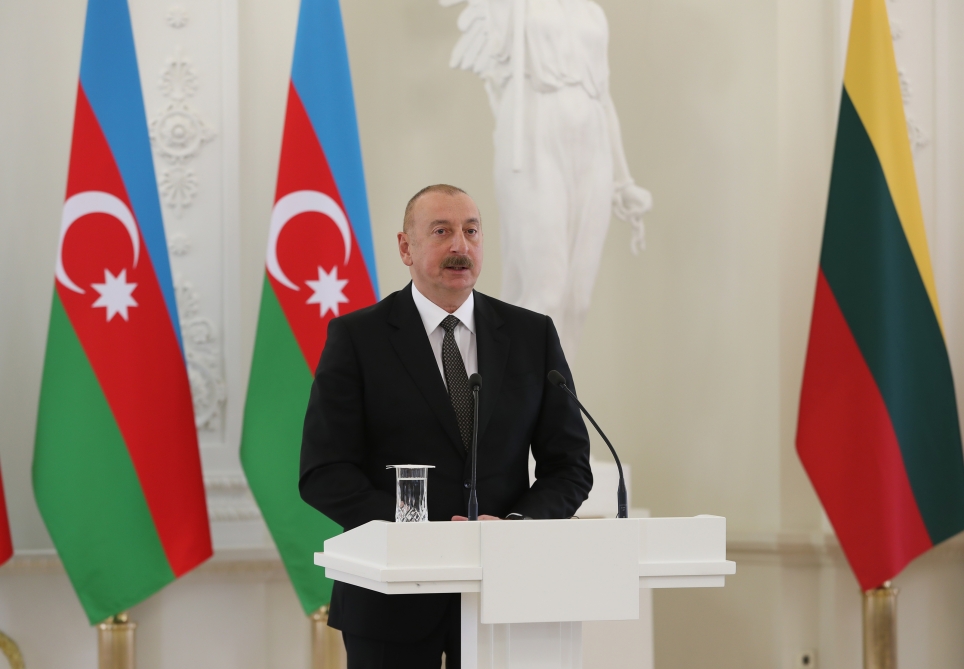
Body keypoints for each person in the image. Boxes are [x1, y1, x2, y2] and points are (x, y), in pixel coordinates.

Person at [300, 184, 593, 669]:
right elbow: (324, 472)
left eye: (471, 231)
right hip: (389, 601)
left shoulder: (531, 334)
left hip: (505, 593)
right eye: (442, 231)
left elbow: (570, 467)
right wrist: (419, 530)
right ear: (405, 247)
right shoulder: (357, 338)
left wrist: (516, 527)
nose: (461, 245)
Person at [444, 0, 654, 357]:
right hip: (534, 139)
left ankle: (559, 390)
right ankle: (518, 390)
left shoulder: (592, 13)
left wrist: (622, 181)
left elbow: (603, 99)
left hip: (593, 147)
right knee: (545, 293)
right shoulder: (516, 6)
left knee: (577, 300)